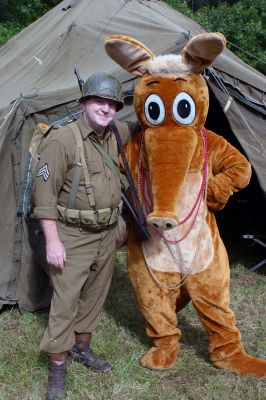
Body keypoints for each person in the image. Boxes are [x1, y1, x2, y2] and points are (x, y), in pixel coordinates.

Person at [32, 72, 139, 400]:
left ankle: (81, 348)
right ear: (84, 102)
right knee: (65, 300)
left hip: (107, 232)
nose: (106, 108)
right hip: (72, 234)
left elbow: (140, 120)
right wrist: (53, 241)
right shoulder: (62, 140)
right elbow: (44, 195)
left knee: (94, 294)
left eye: (112, 103)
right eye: (99, 101)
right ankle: (58, 366)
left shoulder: (115, 133)